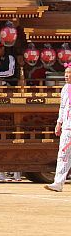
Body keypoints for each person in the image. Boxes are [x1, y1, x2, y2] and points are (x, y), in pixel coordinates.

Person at [47, 63, 71, 191]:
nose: (67, 76)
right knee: (63, 154)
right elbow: (62, 107)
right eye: (66, 74)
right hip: (68, 126)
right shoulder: (65, 89)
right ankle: (58, 182)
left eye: (69, 74)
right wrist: (59, 122)